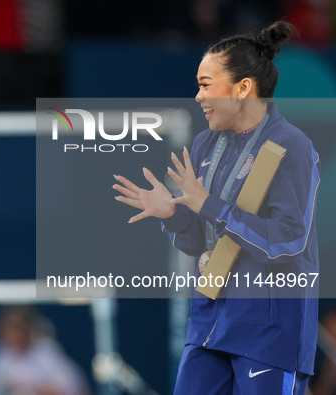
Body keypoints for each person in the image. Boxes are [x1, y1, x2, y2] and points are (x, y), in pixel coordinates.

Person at [113, 21, 319, 395]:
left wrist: (208, 204)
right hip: (210, 323)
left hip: (268, 332)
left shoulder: (292, 146)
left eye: (206, 84)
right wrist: (172, 215)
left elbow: (289, 239)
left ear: (243, 88)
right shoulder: (207, 145)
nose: (198, 96)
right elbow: (202, 240)